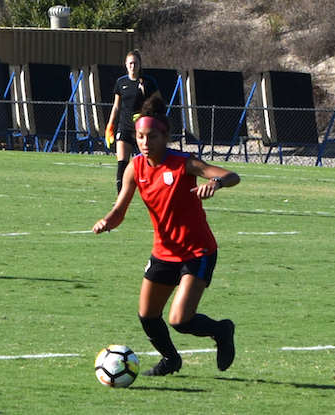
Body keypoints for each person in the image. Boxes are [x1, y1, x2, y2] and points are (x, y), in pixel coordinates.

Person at [93, 96, 240, 376]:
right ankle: (171, 360)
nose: (145, 142)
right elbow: (119, 209)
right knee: (147, 314)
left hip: (198, 252)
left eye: (152, 136)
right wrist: (106, 222)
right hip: (164, 252)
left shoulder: (183, 163)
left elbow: (232, 175)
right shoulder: (135, 168)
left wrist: (215, 182)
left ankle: (221, 330)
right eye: (140, 137)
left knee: (180, 319)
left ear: (165, 136)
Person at [105, 50, 162, 193]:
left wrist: (147, 115)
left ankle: (153, 191)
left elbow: (159, 103)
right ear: (126, 65)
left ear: (140, 64)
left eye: (135, 63)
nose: (133, 66)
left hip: (143, 129)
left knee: (148, 162)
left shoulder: (148, 82)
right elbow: (116, 106)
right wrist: (110, 126)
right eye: (130, 63)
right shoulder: (121, 82)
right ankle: (120, 197)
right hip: (125, 126)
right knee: (122, 163)